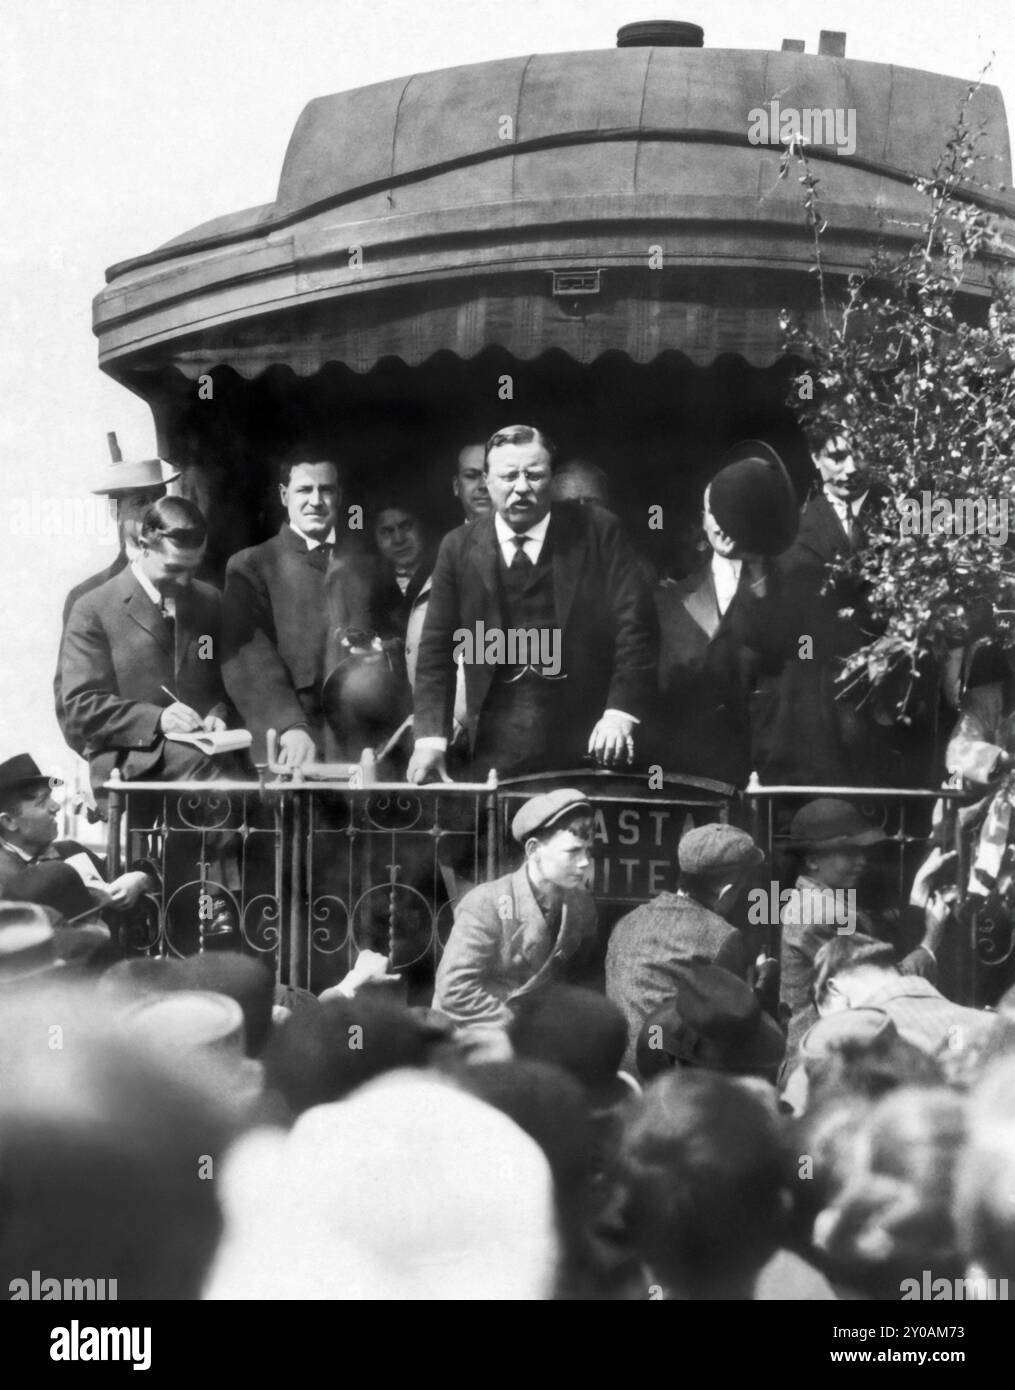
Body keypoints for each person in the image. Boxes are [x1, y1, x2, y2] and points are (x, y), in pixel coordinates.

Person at [409, 424, 657, 783]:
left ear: (552, 480)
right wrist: (431, 739)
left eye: (535, 475)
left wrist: (620, 712)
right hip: (494, 747)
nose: (522, 487)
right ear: (488, 481)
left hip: (588, 739)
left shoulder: (599, 531)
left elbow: (637, 626)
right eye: (509, 476)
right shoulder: (457, 547)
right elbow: (435, 650)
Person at [58, 497, 232, 799]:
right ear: (143, 546)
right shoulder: (93, 608)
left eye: (194, 568)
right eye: (174, 568)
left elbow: (214, 670)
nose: (185, 580)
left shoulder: (209, 601)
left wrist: (218, 710)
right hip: (128, 755)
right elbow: (80, 706)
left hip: (199, 751)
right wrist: (158, 719)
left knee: (254, 779)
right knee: (210, 782)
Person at [651, 441, 798, 786]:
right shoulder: (669, 600)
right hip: (690, 773)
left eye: (730, 510)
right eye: (711, 511)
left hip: (765, 773)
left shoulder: (786, 591)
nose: (720, 524)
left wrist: (756, 563)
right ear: (702, 520)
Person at [222, 451, 380, 765]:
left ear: (339, 495)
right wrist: (288, 725)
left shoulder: (366, 562)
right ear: (284, 495)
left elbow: (399, 633)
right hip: (294, 742)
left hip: (362, 741)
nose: (316, 500)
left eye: (327, 490)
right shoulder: (251, 565)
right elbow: (247, 657)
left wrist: (381, 652)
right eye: (304, 490)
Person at [779, 799, 954, 1044]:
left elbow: (880, 955)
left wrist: (917, 894)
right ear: (812, 861)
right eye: (849, 853)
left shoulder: (820, 899)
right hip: (824, 1062)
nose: (862, 861)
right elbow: (881, 988)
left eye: (861, 852)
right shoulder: (823, 913)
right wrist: (929, 944)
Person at [433, 789, 599, 1037]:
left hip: (539, 1034)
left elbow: (579, 979)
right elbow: (455, 990)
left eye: (587, 851)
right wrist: (521, 1031)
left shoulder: (581, 905)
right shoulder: (486, 903)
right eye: (573, 852)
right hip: (477, 1031)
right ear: (533, 850)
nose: (585, 862)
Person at [606, 823, 764, 1074]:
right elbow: (730, 1021)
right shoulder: (724, 936)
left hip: (620, 1071)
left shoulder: (627, 922)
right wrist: (759, 984)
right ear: (727, 891)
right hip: (674, 1076)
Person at [55, 455, 178, 746]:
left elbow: (207, 655)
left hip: (205, 755)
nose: (153, 512)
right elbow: (72, 711)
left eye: (158, 500)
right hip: (132, 764)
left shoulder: (198, 589)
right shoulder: (88, 598)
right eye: (140, 502)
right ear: (115, 511)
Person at [0, 753, 154, 920]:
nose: (56, 806)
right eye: (42, 802)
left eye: (51, 796)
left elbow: (145, 875)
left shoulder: (71, 850)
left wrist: (140, 880)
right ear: (9, 821)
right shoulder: (3, 876)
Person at [452, 441, 492, 523]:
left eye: (491, 476)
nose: (484, 485)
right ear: (456, 486)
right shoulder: (449, 536)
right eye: (471, 476)